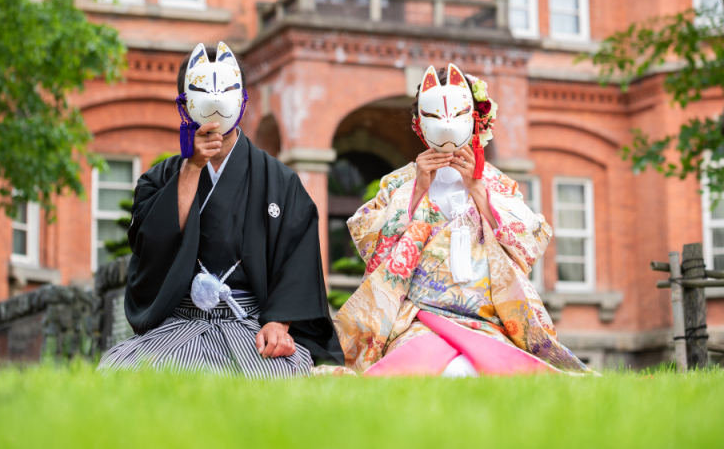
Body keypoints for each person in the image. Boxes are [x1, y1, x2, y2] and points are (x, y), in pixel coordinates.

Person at [98, 42, 343, 377]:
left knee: (276, 377)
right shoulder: (160, 179)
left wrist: (277, 323)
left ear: (242, 99)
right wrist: (192, 168)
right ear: (185, 104)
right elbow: (152, 248)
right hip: (179, 323)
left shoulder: (280, 181)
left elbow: (297, 261)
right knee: (121, 373)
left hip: (250, 325)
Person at [333, 63, 593, 376]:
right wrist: (417, 190)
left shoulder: (496, 184)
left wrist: (478, 190)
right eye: (433, 116)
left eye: (456, 114)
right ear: (419, 124)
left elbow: (530, 240)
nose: (446, 124)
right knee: (430, 372)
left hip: (485, 316)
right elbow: (367, 237)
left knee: (479, 371)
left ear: (475, 120)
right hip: (417, 316)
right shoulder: (400, 183)